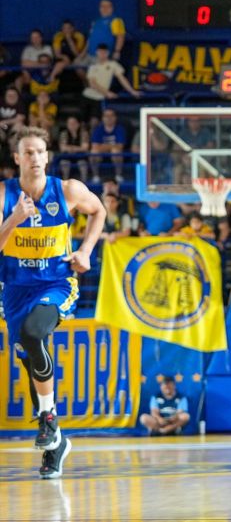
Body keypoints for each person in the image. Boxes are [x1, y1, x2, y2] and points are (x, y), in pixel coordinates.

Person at [0, 127, 106, 478]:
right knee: (31, 359)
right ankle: (55, 445)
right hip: (15, 288)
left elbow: (99, 211)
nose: (35, 157)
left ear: (47, 157)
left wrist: (86, 251)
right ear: (17, 158)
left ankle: (48, 418)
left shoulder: (68, 190)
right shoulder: (3, 195)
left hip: (56, 283)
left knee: (34, 335)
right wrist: (14, 219)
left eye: (40, 151)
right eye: (28, 152)